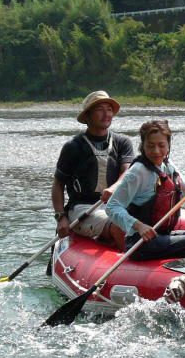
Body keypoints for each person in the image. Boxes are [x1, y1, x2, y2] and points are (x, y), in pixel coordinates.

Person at [105, 119, 185, 261]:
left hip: (163, 235)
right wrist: (138, 226)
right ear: (143, 145)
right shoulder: (137, 171)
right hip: (140, 243)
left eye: (161, 145)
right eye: (150, 146)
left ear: (168, 144)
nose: (156, 151)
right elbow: (112, 207)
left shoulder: (168, 165)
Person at [52, 90, 134, 251]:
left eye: (109, 110)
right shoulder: (73, 147)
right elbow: (58, 184)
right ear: (87, 116)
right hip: (83, 209)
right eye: (100, 110)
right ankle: (133, 265)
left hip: (115, 205)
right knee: (121, 226)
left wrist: (113, 188)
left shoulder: (122, 142)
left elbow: (128, 171)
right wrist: (60, 217)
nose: (106, 114)